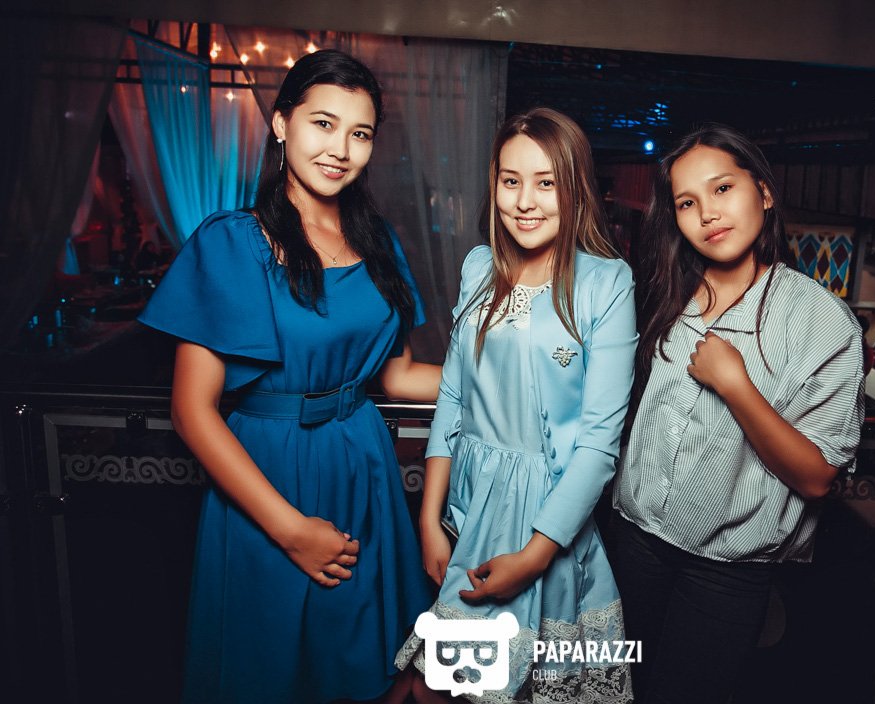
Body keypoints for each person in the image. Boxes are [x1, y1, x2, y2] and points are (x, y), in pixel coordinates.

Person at [138, 50, 437, 704]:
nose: (341, 149)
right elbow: (191, 410)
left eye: (360, 133)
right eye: (323, 124)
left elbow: (401, 376)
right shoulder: (231, 242)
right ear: (281, 123)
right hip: (268, 480)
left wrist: (516, 380)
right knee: (271, 668)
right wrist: (290, 530)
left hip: (366, 469)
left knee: (375, 667)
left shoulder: (378, 240)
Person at [611, 123, 865, 704]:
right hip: (633, 544)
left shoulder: (820, 320)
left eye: (722, 188)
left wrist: (735, 385)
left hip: (725, 572)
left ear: (764, 192)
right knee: (614, 689)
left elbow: (818, 477)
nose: (708, 213)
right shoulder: (663, 295)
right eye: (687, 202)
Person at [394, 108, 637, 704]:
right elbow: (454, 398)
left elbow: (599, 444)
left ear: (574, 188)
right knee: (438, 686)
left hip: (546, 517)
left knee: (526, 686)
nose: (525, 201)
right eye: (510, 180)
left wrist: (533, 557)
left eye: (545, 182)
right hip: (467, 508)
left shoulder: (606, 282)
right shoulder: (479, 266)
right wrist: (428, 520)